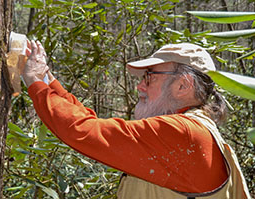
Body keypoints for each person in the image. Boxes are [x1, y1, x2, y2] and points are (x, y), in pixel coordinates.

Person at [21, 41, 251, 199]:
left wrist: (36, 84)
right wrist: (47, 81)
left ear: (183, 86)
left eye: (150, 77)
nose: (139, 86)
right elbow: (92, 124)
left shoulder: (181, 133)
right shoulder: (195, 130)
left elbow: (84, 131)